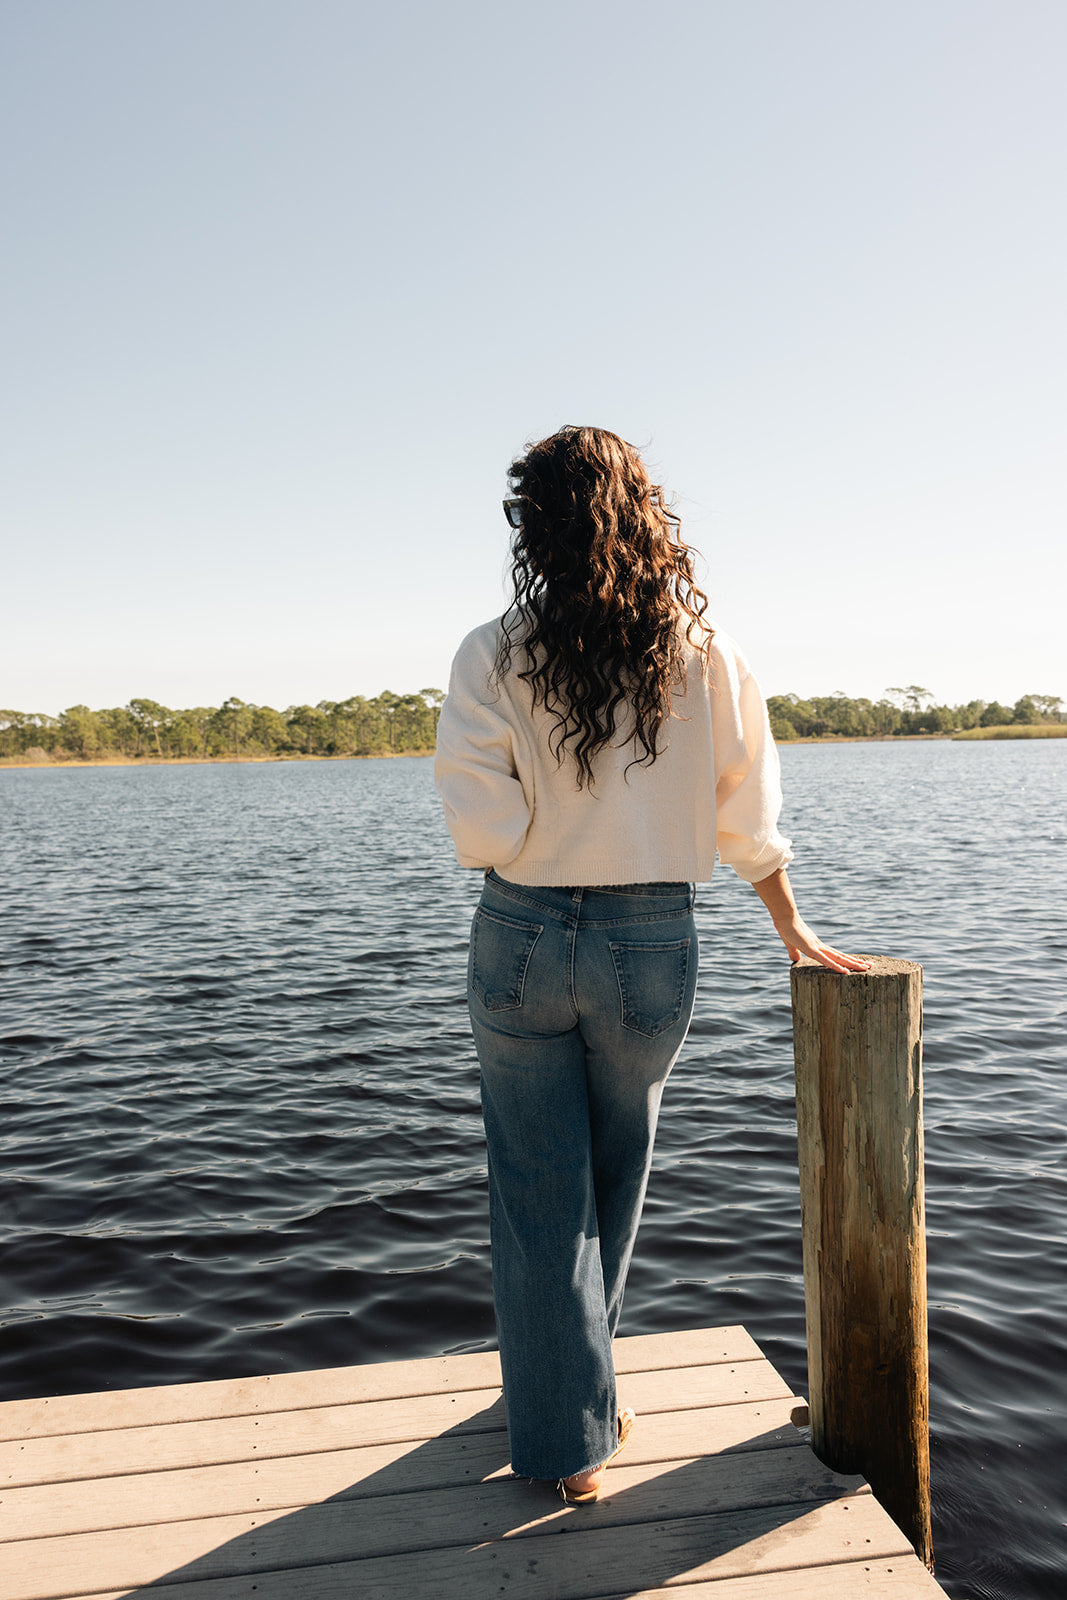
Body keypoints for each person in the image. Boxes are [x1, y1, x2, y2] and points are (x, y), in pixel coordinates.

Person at [433, 425, 869, 1504]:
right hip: (649, 941)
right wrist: (792, 929)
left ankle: (563, 1426)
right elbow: (746, 819)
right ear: (643, 518)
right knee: (613, 1171)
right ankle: (573, 1403)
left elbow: (483, 834)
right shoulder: (703, 652)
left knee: (536, 1184)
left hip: (522, 932)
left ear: (531, 526)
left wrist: (551, 819)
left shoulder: (491, 649)